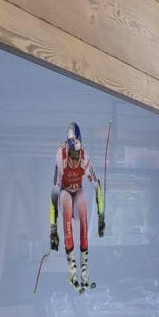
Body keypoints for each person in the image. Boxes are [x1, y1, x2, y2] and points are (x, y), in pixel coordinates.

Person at [49, 122, 104, 292]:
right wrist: (53, 229)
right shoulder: (61, 157)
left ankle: (85, 270)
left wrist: (102, 216)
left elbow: (97, 187)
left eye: (77, 154)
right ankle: (72, 269)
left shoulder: (85, 158)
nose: (74, 160)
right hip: (65, 192)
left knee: (83, 209)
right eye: (71, 155)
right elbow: (54, 195)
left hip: (77, 191)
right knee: (65, 204)